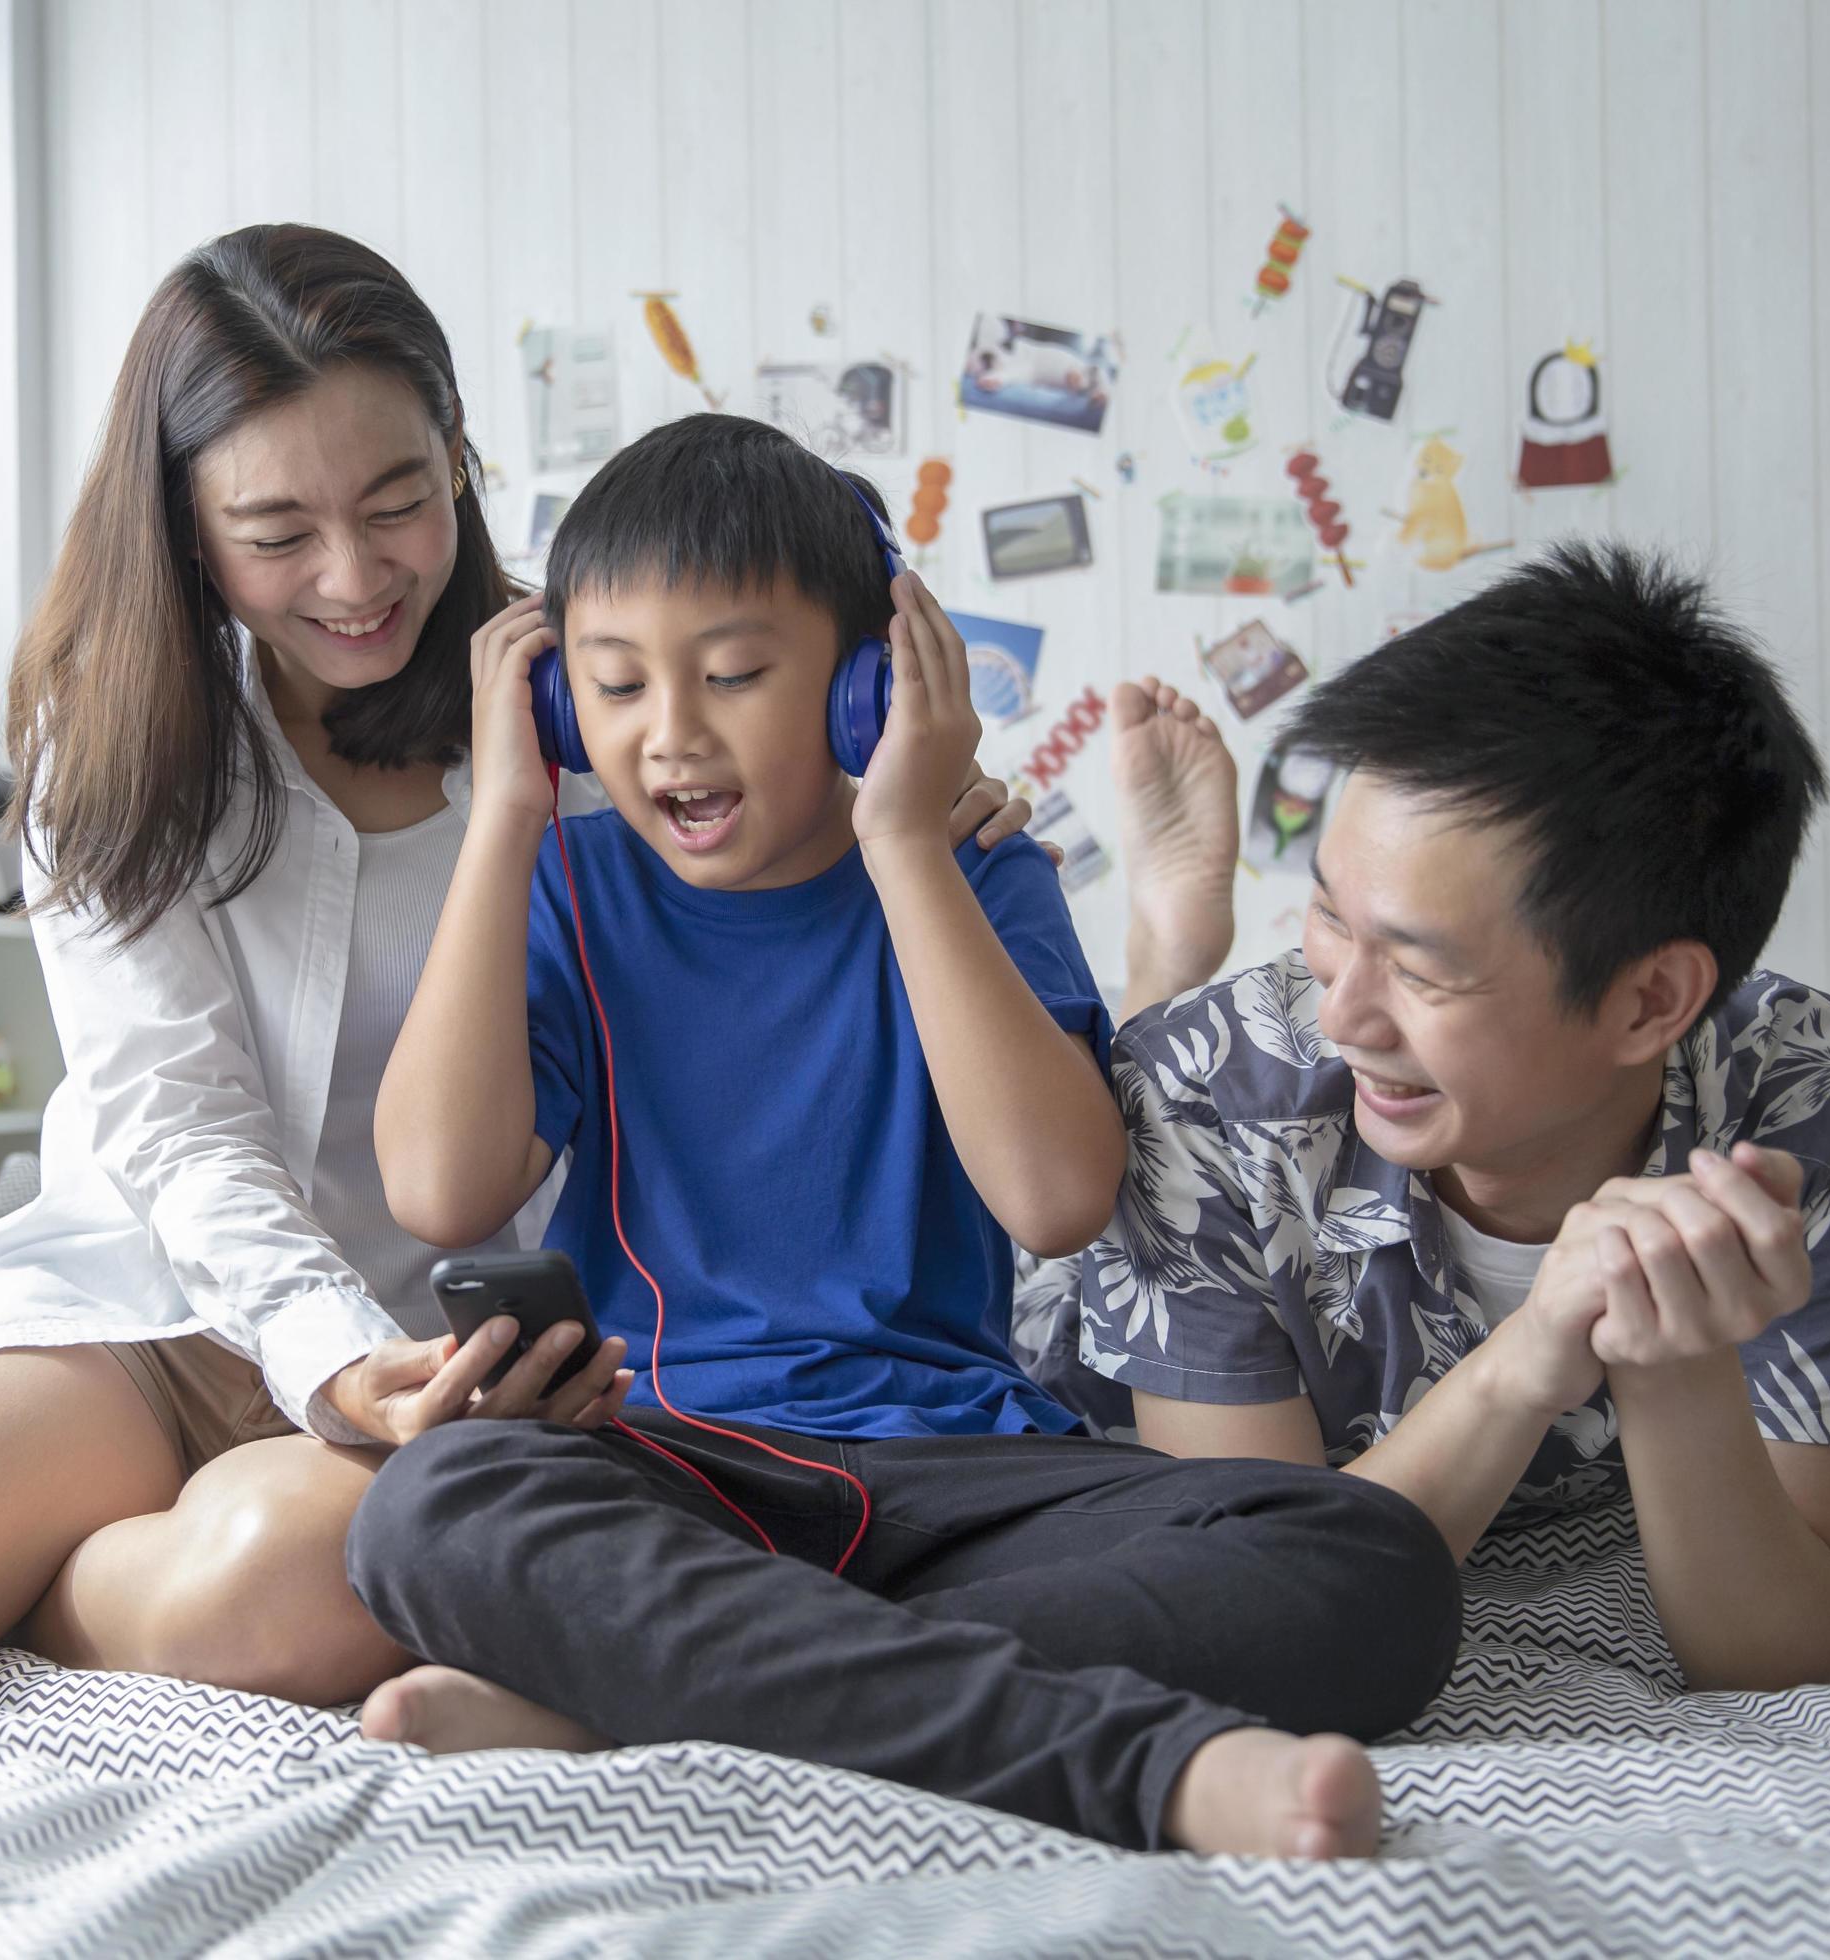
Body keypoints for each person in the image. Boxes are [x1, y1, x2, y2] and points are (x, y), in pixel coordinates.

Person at [0, 227, 1204, 1723]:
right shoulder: (120, 745)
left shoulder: (581, 725)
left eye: (401, 503)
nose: (356, 576)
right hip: (151, 1304)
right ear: (189, 529)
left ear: (461, 460)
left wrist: (942, 821)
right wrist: (319, 1354)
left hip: (428, 1363)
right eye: (277, 531)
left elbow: (742, 901)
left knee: (313, 1599)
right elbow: (178, 1129)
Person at [347, 415, 1461, 1859]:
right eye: (613, 688)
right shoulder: (564, 881)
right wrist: (503, 812)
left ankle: (634, 1697)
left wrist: (908, 840)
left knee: (1370, 1560)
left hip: (960, 1467)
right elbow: (441, 1188)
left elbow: (1058, 1200)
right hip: (674, 1461)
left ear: (871, 687)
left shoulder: (977, 874)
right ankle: (1142, 1768)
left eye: (734, 675)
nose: (669, 732)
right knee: (427, 1507)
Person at [1070, 542, 1830, 1692]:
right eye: (1331, 917)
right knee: (1116, 1097)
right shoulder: (1200, 1088)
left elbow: (1772, 1649)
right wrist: (1528, 1356)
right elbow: (1252, 1594)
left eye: (1423, 974)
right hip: (1070, 1357)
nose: (1345, 1011)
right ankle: (1165, 953)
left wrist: (1668, 1349)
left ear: (1651, 1001)